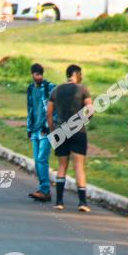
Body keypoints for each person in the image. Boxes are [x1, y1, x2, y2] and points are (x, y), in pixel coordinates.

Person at [47, 64, 92, 212]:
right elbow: (90, 110)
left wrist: (53, 129)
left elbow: (49, 113)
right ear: (77, 74)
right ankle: (82, 203)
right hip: (78, 131)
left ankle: (59, 201)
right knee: (79, 166)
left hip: (61, 131)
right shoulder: (82, 89)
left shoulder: (56, 90)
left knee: (62, 166)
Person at [26, 63, 55, 202]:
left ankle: (44, 190)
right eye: (36, 74)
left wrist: (48, 125)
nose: (39, 77)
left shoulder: (50, 87)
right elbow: (30, 108)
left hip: (46, 130)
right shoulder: (30, 88)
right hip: (34, 129)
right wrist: (28, 128)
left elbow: (53, 109)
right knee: (37, 161)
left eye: (40, 74)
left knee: (42, 159)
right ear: (32, 74)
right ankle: (44, 189)